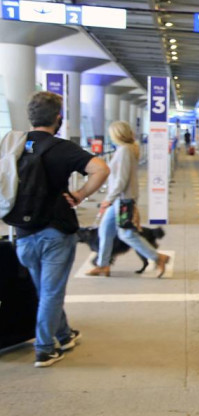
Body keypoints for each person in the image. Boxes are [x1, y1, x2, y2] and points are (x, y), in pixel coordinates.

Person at [10, 91, 110, 367]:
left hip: (22, 232)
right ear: (58, 118)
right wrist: (80, 194)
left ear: (30, 117)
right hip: (55, 230)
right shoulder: (61, 147)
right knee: (51, 292)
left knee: (45, 289)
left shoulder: (14, 145)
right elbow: (101, 169)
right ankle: (44, 348)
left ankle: (64, 335)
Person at [87, 121, 171, 278]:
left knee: (126, 234)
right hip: (118, 200)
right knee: (105, 231)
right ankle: (102, 264)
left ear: (117, 134)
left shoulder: (125, 151)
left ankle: (158, 257)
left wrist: (108, 199)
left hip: (123, 199)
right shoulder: (124, 149)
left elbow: (121, 180)